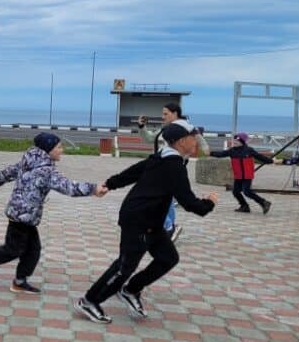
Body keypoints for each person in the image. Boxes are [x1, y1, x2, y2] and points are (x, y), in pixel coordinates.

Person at [76, 120, 218, 324]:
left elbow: (133, 172)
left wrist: (110, 184)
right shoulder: (173, 165)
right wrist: (209, 203)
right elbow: (190, 203)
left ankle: (131, 290)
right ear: (180, 141)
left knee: (168, 258)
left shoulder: (163, 157)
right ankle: (89, 301)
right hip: (138, 220)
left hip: (151, 222)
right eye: (192, 137)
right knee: (125, 266)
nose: (195, 141)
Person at [0, 133, 107, 293]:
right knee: (13, 250)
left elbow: (11, 171)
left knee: (33, 250)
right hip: (21, 217)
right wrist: (93, 189)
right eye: (59, 147)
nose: (62, 150)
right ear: (48, 149)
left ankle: (19, 282)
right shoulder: (46, 170)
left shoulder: (29, 160)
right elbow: (69, 187)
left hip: (24, 215)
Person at [136, 103, 209, 242]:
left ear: (175, 113)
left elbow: (199, 139)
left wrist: (205, 149)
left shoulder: (186, 127)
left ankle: (169, 226)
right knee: (166, 198)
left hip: (171, 167)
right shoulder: (164, 128)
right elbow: (150, 139)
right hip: (160, 166)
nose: (163, 116)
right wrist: (142, 127)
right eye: (162, 114)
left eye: (166, 113)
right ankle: (169, 227)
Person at [210, 132, 274, 214]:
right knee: (235, 191)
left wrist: (270, 161)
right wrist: (210, 153)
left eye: (237, 141)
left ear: (242, 142)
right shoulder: (232, 151)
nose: (235, 142)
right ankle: (244, 206)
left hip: (247, 175)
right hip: (238, 175)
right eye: (234, 140)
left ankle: (264, 202)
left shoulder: (249, 150)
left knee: (247, 191)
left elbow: (260, 157)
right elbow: (221, 154)